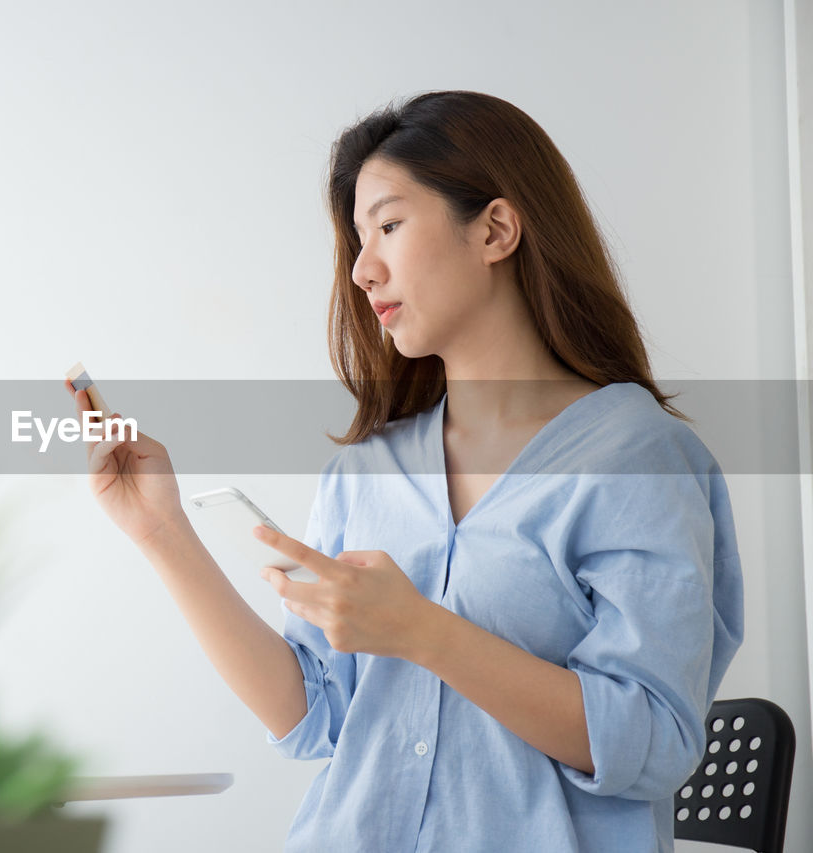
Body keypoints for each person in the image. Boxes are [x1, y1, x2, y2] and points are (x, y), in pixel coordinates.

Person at [63, 90, 743, 852]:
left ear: (494, 229)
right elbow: (315, 713)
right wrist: (162, 532)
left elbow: (651, 739)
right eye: (358, 240)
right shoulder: (368, 470)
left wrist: (425, 632)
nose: (361, 269)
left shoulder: (634, 458)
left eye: (388, 224)